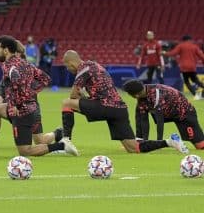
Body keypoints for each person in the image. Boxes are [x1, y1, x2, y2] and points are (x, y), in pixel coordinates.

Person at [60, 50, 188, 155]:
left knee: (67, 103)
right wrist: (85, 97)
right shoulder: (95, 65)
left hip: (104, 105)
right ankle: (170, 142)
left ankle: (66, 141)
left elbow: (73, 94)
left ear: (71, 62)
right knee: (133, 148)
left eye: (66, 66)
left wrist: (82, 97)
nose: (67, 69)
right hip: (119, 109)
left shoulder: (83, 68)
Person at [0, 37, 65, 156]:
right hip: (21, 107)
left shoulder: (12, 67)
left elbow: (16, 83)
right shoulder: (26, 65)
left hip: (25, 109)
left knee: (36, 143)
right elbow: (45, 79)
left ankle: (58, 137)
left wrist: (19, 100)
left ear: (9, 51)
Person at [123, 79, 204, 149]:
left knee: (200, 146)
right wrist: (144, 143)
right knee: (139, 112)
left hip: (185, 113)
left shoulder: (156, 94)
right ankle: (139, 141)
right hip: (169, 113)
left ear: (136, 94)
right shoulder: (141, 96)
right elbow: (143, 121)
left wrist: (159, 143)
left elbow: (160, 121)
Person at [164, 35, 204, 100]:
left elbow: (173, 53)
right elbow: (201, 56)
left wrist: (164, 53)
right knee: (196, 80)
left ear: (184, 40)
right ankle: (199, 93)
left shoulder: (181, 46)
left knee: (187, 82)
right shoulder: (194, 46)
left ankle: (195, 95)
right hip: (192, 67)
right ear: (189, 39)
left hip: (184, 67)